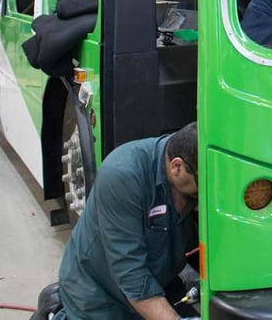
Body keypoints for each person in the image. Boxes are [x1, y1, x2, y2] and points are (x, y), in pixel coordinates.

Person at [53, 123, 201, 320]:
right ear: (176, 167)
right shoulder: (122, 175)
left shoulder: (191, 161)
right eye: (202, 182)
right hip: (97, 297)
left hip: (158, 283)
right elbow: (131, 272)